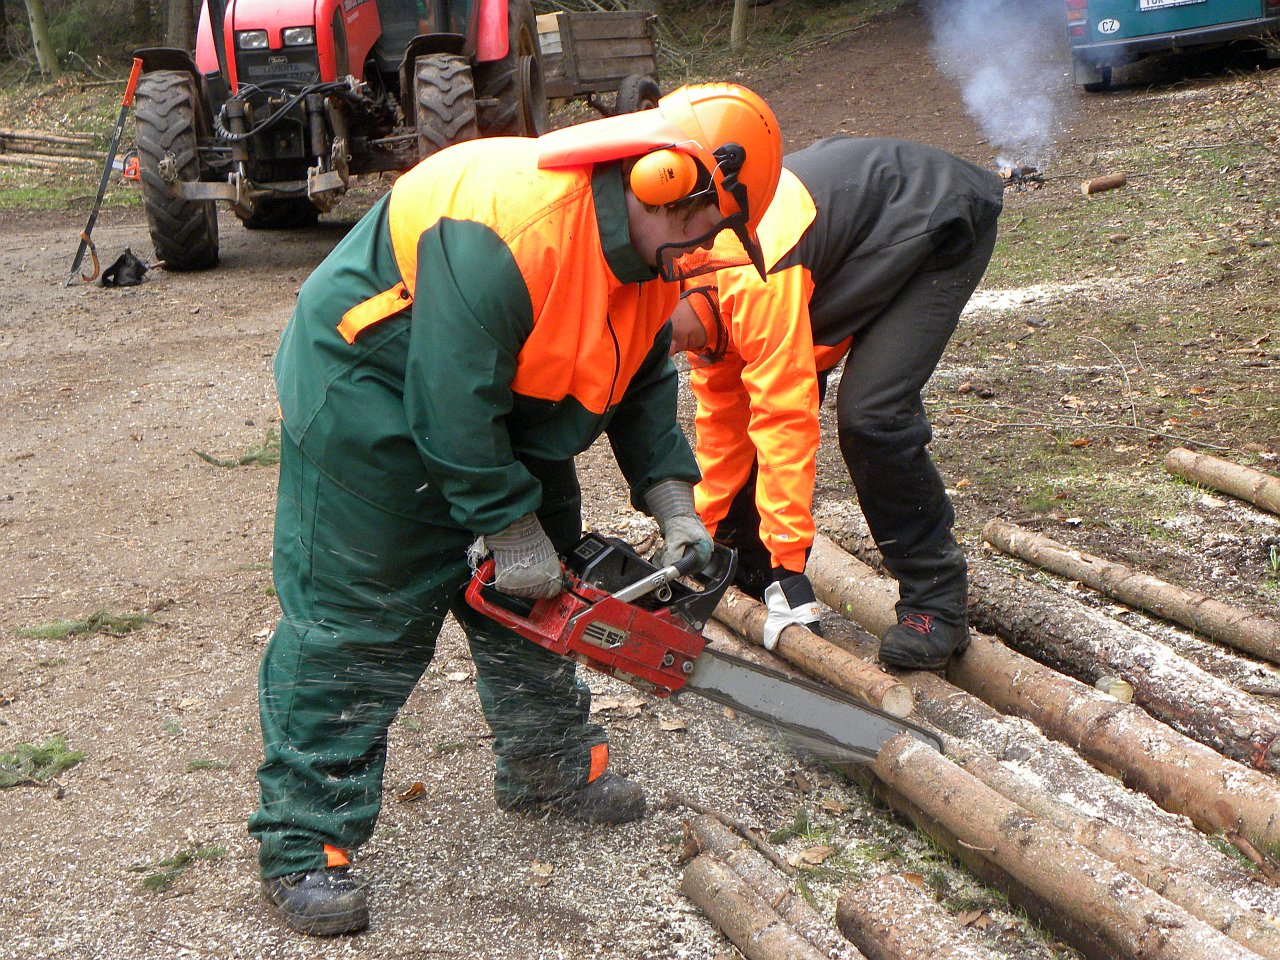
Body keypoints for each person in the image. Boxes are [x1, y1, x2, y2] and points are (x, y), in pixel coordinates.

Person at [250, 84, 784, 936]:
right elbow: (448, 402)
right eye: (704, 229)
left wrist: (671, 499)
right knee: (363, 621)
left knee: (545, 595)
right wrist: (506, 522)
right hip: (371, 389)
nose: (703, 251)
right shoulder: (510, 230)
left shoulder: (650, 256)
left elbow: (644, 374)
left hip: (512, 403)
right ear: (662, 183)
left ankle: (546, 766)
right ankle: (304, 840)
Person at [669, 136, 1003, 670]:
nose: (672, 349)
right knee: (754, 415)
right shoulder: (693, 292)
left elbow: (784, 413)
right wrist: (700, 533)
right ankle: (747, 562)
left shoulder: (753, 279)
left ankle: (937, 602)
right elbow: (724, 425)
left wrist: (789, 565)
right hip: (850, 249)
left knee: (873, 414)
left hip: (934, 217)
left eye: (668, 337)